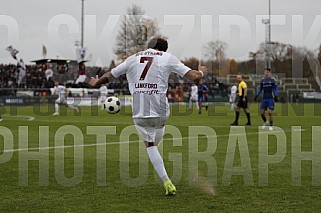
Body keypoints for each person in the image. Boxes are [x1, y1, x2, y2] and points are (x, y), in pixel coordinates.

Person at [89, 37, 208, 195]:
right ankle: (158, 156)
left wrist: (97, 83)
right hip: (161, 111)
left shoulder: (133, 59)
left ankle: (167, 183)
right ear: (163, 49)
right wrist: (201, 71)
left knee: (151, 146)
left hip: (140, 112)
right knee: (155, 140)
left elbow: (111, 74)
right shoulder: (167, 58)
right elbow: (195, 76)